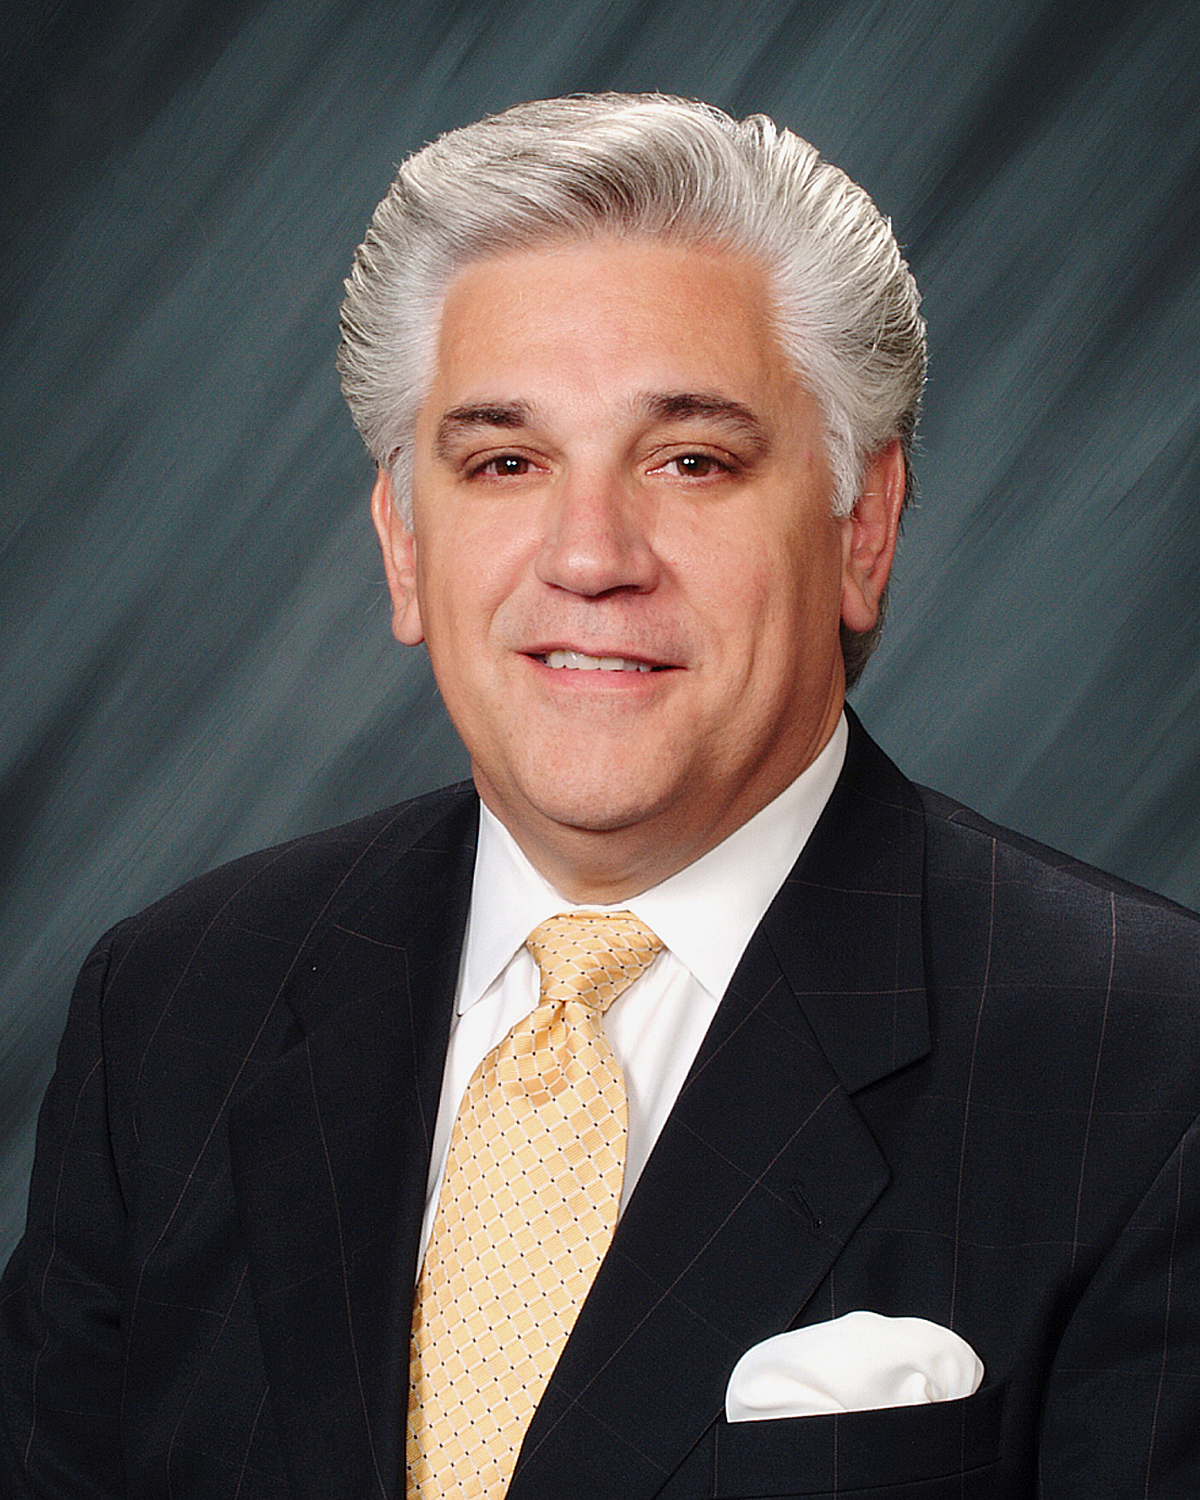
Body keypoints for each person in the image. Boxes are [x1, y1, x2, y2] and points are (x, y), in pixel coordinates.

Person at [3, 92, 1198, 1500]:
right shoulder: (175, 1009)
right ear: (404, 544)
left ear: (862, 527)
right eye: (505, 462)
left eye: (691, 460)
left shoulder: (1145, 1060)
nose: (589, 556)